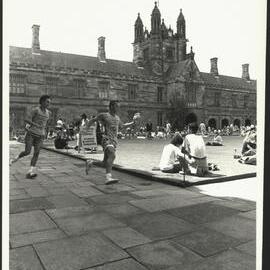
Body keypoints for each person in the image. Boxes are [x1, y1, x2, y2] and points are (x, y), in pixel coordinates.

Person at [85, 100, 141, 184]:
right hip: (106, 139)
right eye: (116, 106)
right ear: (111, 106)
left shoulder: (117, 118)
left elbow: (122, 126)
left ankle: (91, 162)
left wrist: (133, 122)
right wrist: (86, 129)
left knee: (105, 163)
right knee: (112, 155)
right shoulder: (104, 115)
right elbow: (93, 120)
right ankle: (108, 177)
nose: (118, 108)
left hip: (114, 142)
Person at [9, 95, 52, 178]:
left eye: (49, 102)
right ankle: (13, 160)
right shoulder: (36, 110)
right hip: (31, 134)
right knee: (27, 152)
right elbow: (26, 119)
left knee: (37, 153)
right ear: (42, 102)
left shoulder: (49, 113)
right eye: (47, 102)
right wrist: (35, 124)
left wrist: (45, 132)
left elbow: (46, 124)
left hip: (40, 136)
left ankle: (30, 172)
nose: (49, 104)